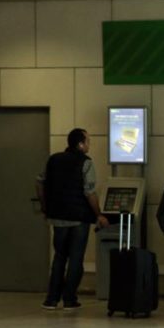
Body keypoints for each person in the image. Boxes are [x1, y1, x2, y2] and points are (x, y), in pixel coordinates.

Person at [37, 128, 109, 311]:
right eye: (88, 141)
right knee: (76, 259)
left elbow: (40, 183)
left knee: (59, 257)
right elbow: (89, 192)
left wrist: (45, 207)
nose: (89, 145)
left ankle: (51, 299)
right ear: (80, 144)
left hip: (57, 218)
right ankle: (69, 299)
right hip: (78, 219)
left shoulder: (53, 159)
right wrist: (98, 214)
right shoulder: (86, 163)